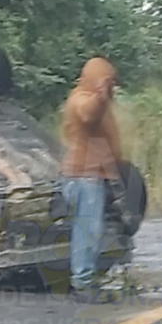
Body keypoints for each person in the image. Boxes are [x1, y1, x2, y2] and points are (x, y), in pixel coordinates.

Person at [59, 57, 123, 300]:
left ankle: (87, 278)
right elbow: (87, 115)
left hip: (94, 175)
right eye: (108, 81)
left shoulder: (98, 101)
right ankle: (83, 283)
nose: (112, 88)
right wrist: (100, 94)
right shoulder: (81, 98)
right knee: (87, 229)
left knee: (94, 230)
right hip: (83, 175)